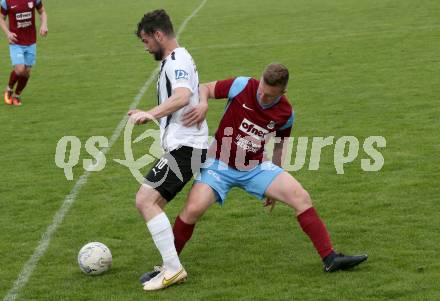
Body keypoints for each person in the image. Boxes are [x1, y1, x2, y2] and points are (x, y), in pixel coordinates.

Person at [145, 63, 368, 280]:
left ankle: (330, 258)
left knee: (301, 197)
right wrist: (203, 103)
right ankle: (169, 267)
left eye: (270, 96)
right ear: (259, 81)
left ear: (283, 92)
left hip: (255, 167)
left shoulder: (286, 113)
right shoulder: (242, 85)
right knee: (192, 209)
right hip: (218, 164)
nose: (262, 97)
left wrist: (276, 180)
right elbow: (204, 87)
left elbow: (280, 144)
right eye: (261, 91)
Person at [128, 9, 208, 291]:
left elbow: (183, 96)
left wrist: (149, 114)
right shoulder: (174, 61)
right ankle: (169, 264)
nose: (146, 46)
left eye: (146, 40)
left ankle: (174, 269)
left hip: (186, 148)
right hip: (184, 147)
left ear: (159, 35)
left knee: (144, 200)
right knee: (155, 204)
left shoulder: (177, 61)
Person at [0, 0, 47, 106]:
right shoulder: (6, 2)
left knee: (26, 72)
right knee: (20, 69)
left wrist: (44, 25)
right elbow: (1, 18)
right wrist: (8, 33)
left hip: (31, 42)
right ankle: (9, 89)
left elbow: (42, 12)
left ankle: (17, 96)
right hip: (16, 42)